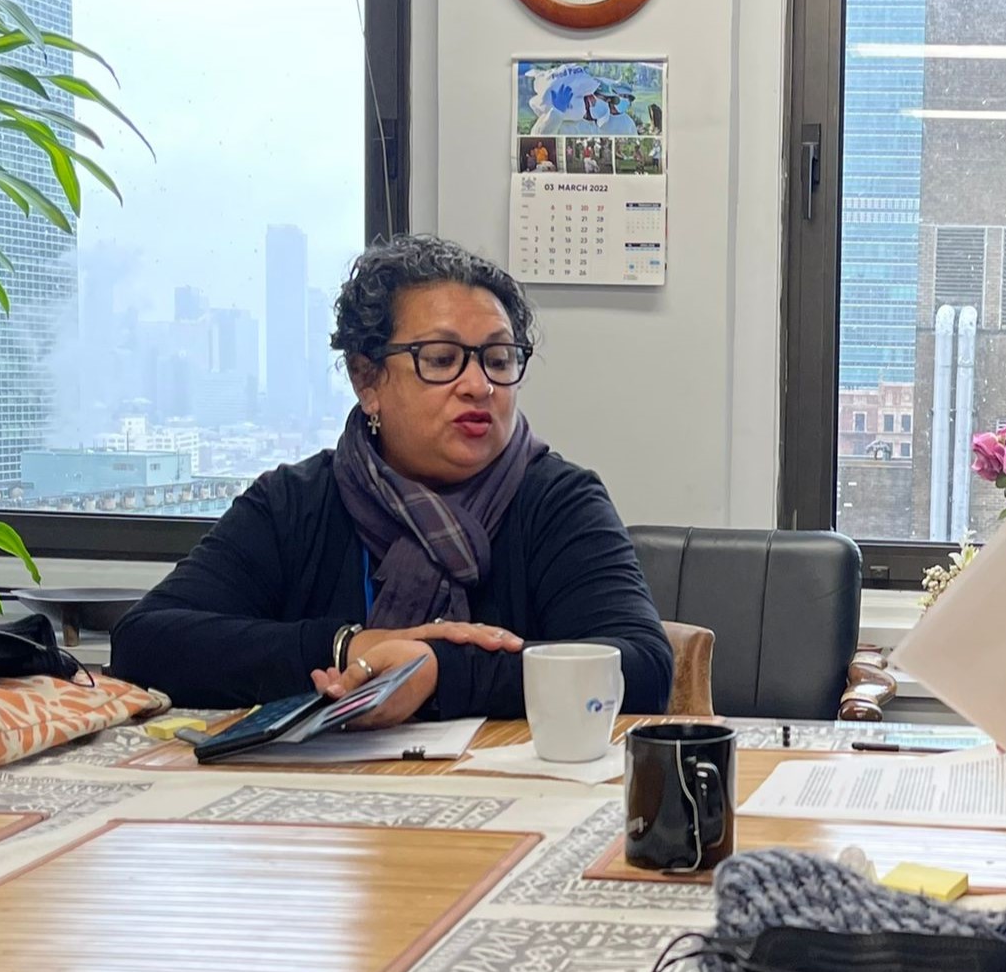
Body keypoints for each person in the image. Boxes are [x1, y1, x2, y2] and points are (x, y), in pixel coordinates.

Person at [112, 235, 673, 727]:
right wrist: (351, 647)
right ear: (366, 379)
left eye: (499, 359)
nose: (479, 386)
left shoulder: (557, 500)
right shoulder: (294, 504)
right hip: (318, 817)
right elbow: (146, 643)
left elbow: (640, 666)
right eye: (442, 358)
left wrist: (437, 671)